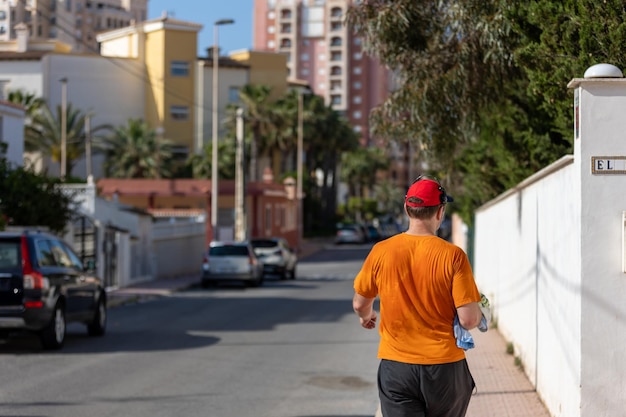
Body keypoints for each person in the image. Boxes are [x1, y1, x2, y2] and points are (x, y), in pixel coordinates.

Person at [353, 176, 483, 417]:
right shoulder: (453, 256)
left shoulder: (381, 251)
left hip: (397, 367)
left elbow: (360, 304)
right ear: (440, 212)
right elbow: (468, 320)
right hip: (445, 369)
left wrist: (368, 316)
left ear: (406, 208)